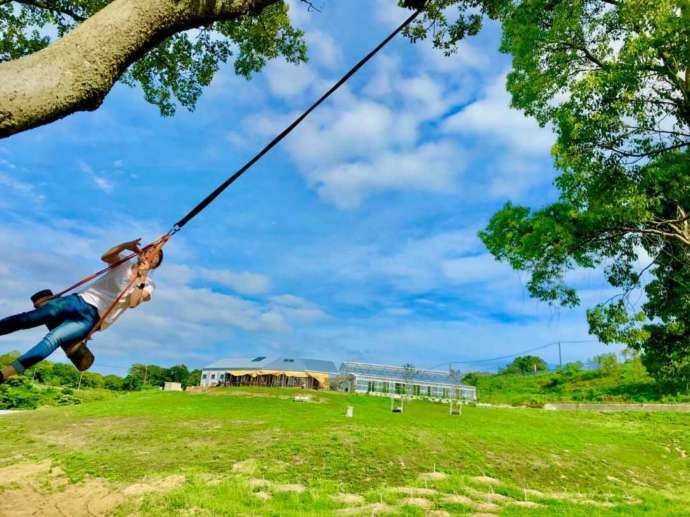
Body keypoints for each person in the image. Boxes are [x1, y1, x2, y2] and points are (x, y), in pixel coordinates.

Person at [0, 239, 163, 383]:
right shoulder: (123, 263)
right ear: (141, 252)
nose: (149, 254)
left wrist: (141, 276)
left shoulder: (148, 284)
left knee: (53, 339)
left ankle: (5, 374)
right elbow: (105, 257)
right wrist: (125, 245)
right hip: (78, 300)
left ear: (156, 264)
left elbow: (133, 302)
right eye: (148, 250)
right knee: (30, 318)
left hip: (92, 318)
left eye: (154, 255)